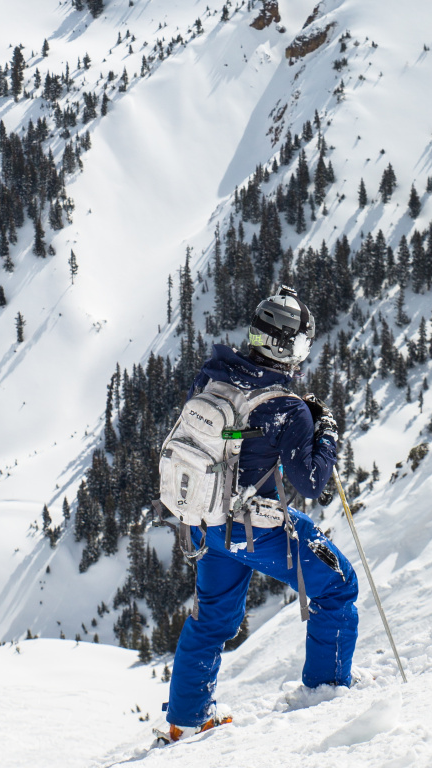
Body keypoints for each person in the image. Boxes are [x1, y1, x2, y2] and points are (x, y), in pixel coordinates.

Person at [159, 288, 359, 743]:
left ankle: (186, 721)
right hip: (259, 530)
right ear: (289, 348)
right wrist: (324, 431)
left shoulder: (211, 379)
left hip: (207, 524)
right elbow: (311, 482)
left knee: (212, 620)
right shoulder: (287, 409)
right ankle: (325, 692)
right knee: (338, 586)